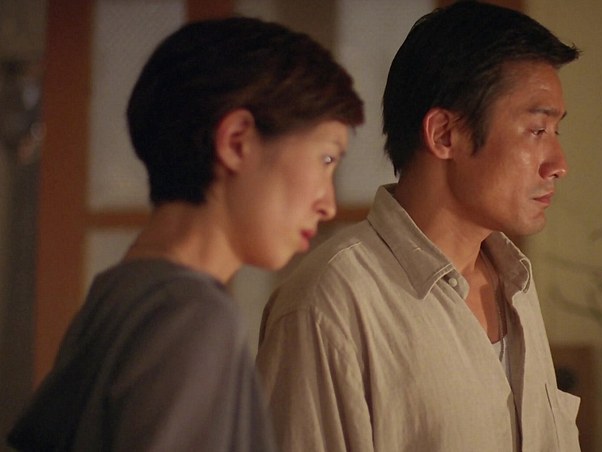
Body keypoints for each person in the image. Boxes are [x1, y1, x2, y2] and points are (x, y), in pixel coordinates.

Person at [8, 17, 363, 451]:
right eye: (326, 159)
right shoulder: (194, 317)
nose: (328, 204)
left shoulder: (117, 291)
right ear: (237, 141)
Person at [256, 1, 581, 451]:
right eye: (537, 130)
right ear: (445, 134)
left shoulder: (514, 283)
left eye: (556, 132)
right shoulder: (330, 303)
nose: (558, 164)